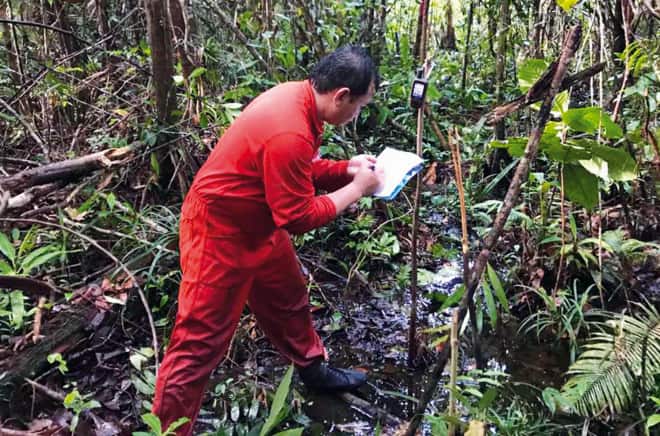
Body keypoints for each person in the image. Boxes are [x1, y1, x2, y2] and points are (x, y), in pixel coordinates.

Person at [152, 45, 384, 434]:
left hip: (258, 222)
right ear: (341, 95)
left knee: (288, 297)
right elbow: (296, 216)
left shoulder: (299, 100)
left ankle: (313, 369)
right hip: (219, 231)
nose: (355, 115)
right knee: (198, 344)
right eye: (358, 107)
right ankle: (168, 430)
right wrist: (357, 188)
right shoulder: (290, 128)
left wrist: (346, 169)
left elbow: (297, 171)